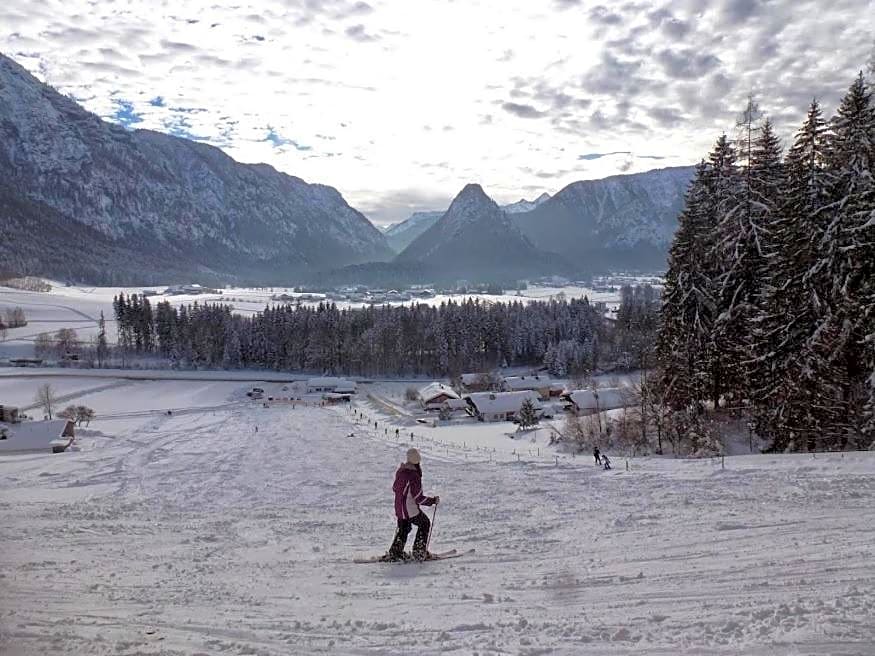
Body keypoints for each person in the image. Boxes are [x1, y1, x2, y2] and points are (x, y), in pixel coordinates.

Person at [386, 448, 439, 561]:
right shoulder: (414, 475)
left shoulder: (401, 471)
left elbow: (395, 488)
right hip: (410, 509)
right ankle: (419, 552)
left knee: (404, 529)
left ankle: (395, 553)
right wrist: (432, 501)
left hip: (399, 508)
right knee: (424, 523)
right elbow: (418, 498)